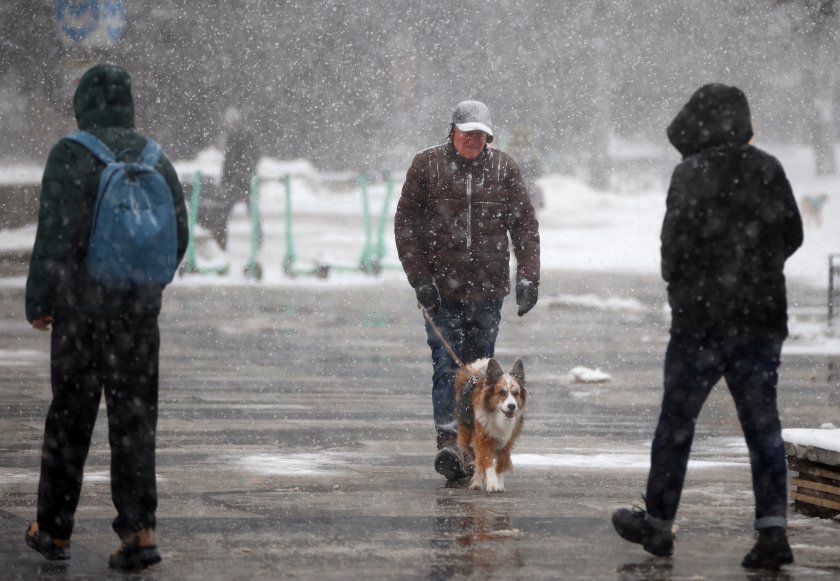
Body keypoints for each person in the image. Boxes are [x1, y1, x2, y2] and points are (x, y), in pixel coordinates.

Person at [611, 84, 803, 570]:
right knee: (763, 427)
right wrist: (756, 270)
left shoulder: (689, 173)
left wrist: (692, 286)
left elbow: (671, 249)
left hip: (700, 324)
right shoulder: (768, 169)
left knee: (677, 423)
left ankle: (658, 523)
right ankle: (772, 531)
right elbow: (793, 234)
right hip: (760, 322)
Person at [24, 64, 189, 570]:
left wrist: (42, 300)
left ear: (85, 104)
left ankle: (53, 530)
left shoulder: (71, 154)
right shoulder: (155, 157)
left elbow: (52, 237)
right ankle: (139, 530)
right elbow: (177, 235)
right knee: (135, 423)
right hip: (138, 319)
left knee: (70, 420)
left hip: (81, 315)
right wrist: (143, 287)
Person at [394, 100, 540, 482]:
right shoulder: (426, 166)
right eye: (467, 133)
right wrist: (420, 278)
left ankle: (477, 446)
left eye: (481, 134)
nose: (474, 140)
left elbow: (524, 225)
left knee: (480, 375)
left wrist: (529, 277)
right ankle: (448, 443)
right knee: (447, 366)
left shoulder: (504, 168)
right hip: (440, 291)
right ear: (452, 132)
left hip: (487, 291)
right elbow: (405, 224)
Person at [214, 109, 261, 250]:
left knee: (226, 212)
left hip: (240, 181)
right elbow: (230, 160)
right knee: (247, 211)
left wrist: (233, 175)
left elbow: (231, 160)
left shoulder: (241, 136)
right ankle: (256, 239)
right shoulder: (241, 135)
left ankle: (221, 240)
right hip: (242, 180)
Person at [505, 125, 545, 210]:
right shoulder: (533, 151)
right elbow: (539, 172)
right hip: (529, 188)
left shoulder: (508, 150)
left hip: (512, 189)